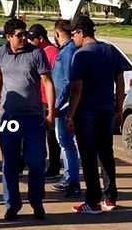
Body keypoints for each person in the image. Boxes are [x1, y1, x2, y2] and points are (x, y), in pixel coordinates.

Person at [0, 18, 55, 221]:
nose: (24, 37)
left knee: (36, 164)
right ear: (8, 37)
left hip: (34, 118)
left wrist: (50, 113)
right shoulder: (0, 53)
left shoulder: (36, 53)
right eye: (19, 35)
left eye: (24, 33)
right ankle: (12, 205)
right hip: (9, 118)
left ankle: (37, 202)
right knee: (10, 164)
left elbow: (48, 83)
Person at [66, 16, 131, 214]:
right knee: (106, 154)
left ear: (81, 32)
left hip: (86, 111)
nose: (72, 38)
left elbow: (77, 88)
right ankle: (109, 198)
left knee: (88, 155)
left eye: (73, 34)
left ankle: (93, 202)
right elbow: (119, 82)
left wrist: (70, 115)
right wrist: (118, 109)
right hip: (107, 110)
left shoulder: (81, 55)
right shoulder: (110, 50)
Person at [49, 19, 81, 198]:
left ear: (56, 34)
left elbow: (68, 81)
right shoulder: (67, 50)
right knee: (65, 143)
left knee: (66, 143)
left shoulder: (68, 51)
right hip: (64, 104)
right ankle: (69, 176)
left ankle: (72, 179)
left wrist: (57, 105)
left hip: (65, 105)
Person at [26, 23, 61, 179]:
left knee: (51, 135)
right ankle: (39, 162)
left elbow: (52, 79)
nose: (29, 42)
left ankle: (54, 167)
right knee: (38, 133)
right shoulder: (38, 51)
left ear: (40, 39)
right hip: (38, 99)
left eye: (32, 39)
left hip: (48, 100)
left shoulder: (52, 53)